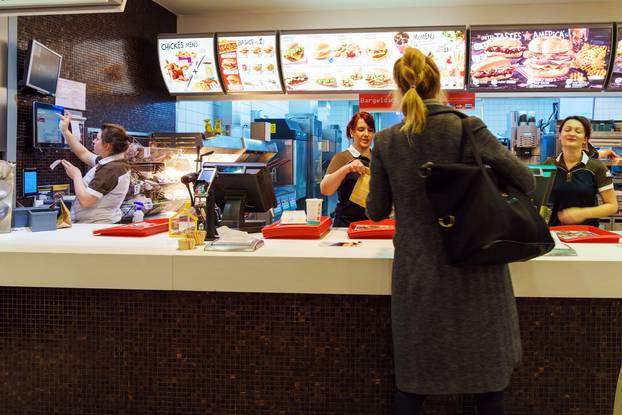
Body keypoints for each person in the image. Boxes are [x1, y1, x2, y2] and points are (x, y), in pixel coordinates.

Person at [366, 47, 535, 415]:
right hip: (477, 271)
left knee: (413, 385)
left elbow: (376, 211)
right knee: (488, 388)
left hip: (419, 276)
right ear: (439, 84)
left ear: (398, 88)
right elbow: (525, 181)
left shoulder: (387, 140)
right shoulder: (467, 127)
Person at [544, 116, 618, 227]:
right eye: (567, 130)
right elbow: (540, 200)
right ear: (560, 136)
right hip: (555, 233)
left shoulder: (597, 167)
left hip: (587, 234)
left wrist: (583, 213)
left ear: (585, 139)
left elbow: (612, 206)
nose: (572, 133)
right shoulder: (549, 165)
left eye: (578, 131)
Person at [58, 112, 131, 224]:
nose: (93, 141)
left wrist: (76, 175)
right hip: (94, 224)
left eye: (97, 139)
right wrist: (65, 131)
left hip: (98, 226)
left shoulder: (112, 169)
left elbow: (85, 201)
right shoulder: (112, 162)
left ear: (107, 146)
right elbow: (83, 153)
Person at [320, 111, 376, 227]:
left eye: (370, 130)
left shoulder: (379, 159)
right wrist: (348, 168)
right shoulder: (342, 157)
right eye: (361, 129)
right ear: (352, 132)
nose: (366, 134)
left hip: (374, 225)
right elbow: (325, 189)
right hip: (346, 226)